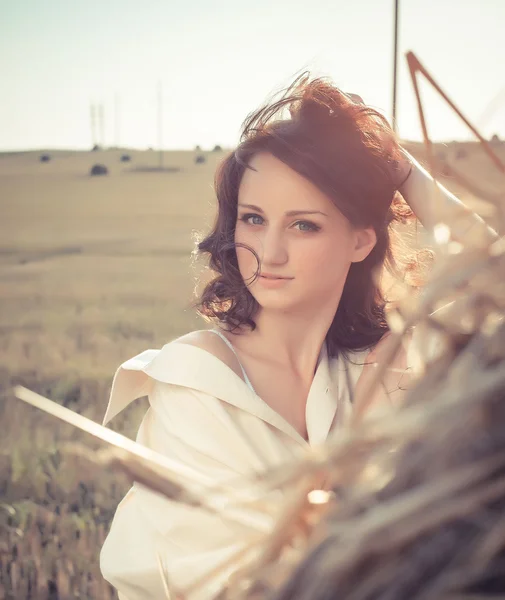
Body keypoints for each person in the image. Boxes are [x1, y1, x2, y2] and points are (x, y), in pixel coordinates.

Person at [100, 76, 494, 600]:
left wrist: (396, 166)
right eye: (254, 220)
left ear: (360, 241)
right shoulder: (198, 380)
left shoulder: (388, 362)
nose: (270, 252)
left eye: (303, 225)